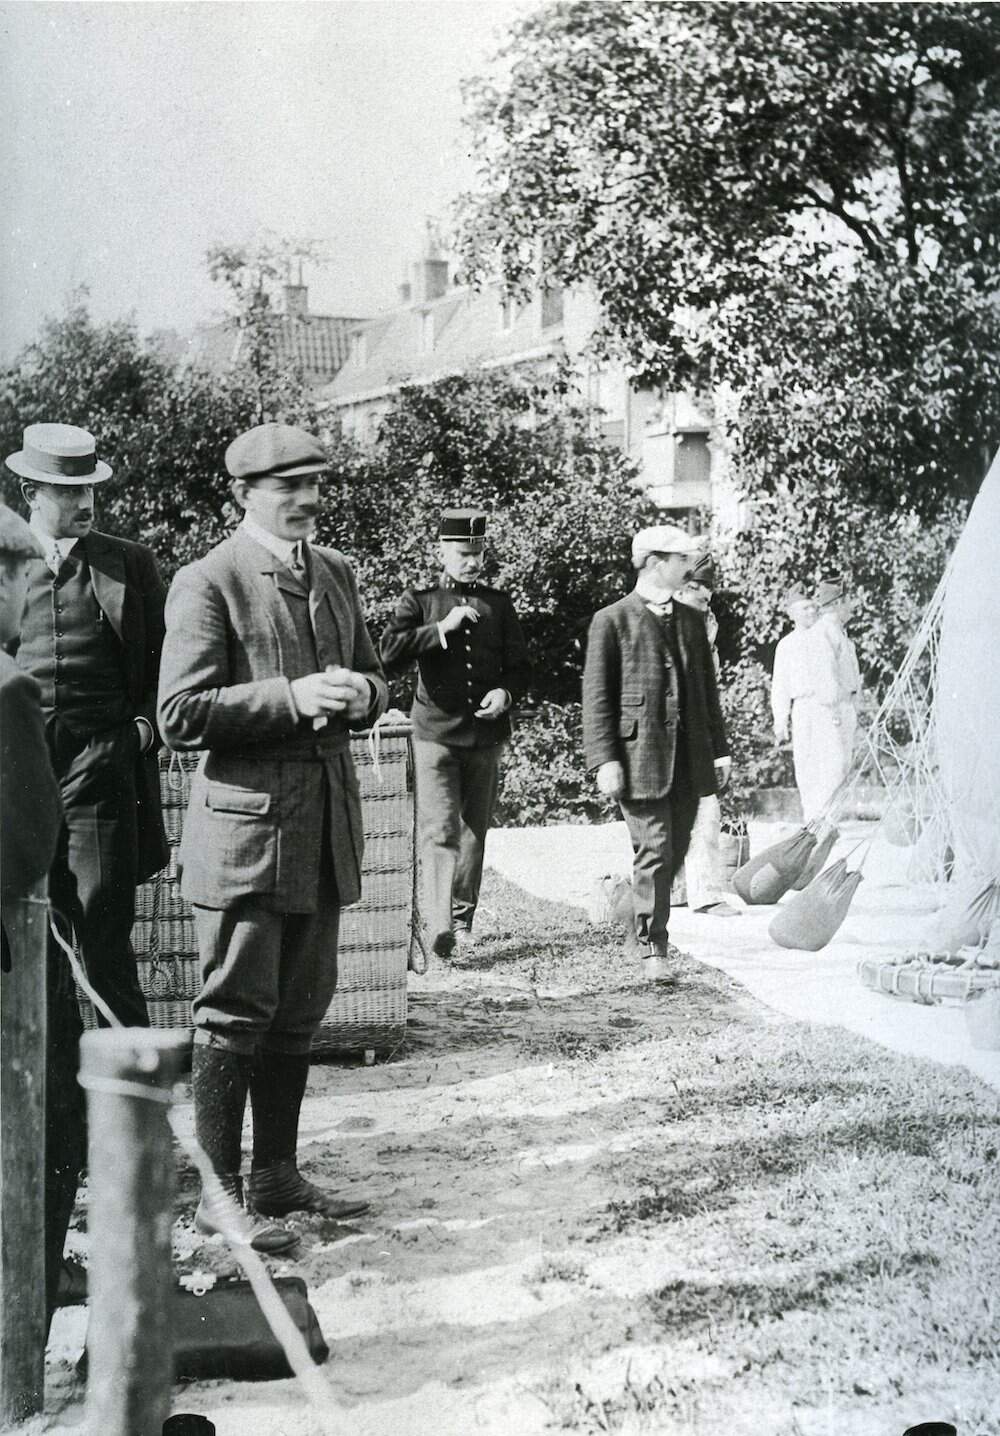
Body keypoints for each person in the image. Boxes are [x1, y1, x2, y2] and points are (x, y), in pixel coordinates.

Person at [158, 422, 387, 1254]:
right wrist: (290, 697)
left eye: (315, 486)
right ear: (243, 495)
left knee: (299, 1011)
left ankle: (278, 1176)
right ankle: (218, 1195)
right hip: (248, 835)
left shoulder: (335, 572)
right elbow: (180, 715)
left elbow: (374, 674)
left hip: (322, 827)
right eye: (287, 489)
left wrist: (363, 691)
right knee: (234, 1012)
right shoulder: (208, 580)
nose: (306, 502)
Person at [7, 422, 168, 1027]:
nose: (84, 503)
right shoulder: (5, 564)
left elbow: (166, 666)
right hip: (19, 771)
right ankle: (59, 1103)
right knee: (31, 935)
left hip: (102, 771)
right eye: (67, 491)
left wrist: (138, 735)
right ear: (32, 495)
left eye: (89, 490)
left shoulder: (129, 564)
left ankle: (131, 1095)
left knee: (102, 926)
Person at [0, 503, 85, 1334]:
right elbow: (29, 843)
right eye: (26, 583)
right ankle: (28, 1307)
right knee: (58, 1117)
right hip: (13, 957)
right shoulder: (9, 685)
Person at [380, 508, 530, 959]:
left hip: (484, 736)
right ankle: (440, 924)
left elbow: (521, 667)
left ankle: (461, 921)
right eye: (463, 554)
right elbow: (387, 653)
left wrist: (505, 692)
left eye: (477, 554)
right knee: (438, 828)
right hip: (434, 734)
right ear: (442, 551)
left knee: (473, 831)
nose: (471, 562)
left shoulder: (498, 605)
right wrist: (438, 630)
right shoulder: (419, 601)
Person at [583, 525, 731, 978]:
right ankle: (653, 949)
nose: (689, 568)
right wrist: (604, 759)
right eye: (681, 560)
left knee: (673, 852)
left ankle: (634, 914)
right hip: (636, 758)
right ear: (654, 562)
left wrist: (720, 752)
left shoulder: (690, 621)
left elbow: (707, 693)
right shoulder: (611, 620)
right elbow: (597, 697)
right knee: (656, 848)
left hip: (688, 758)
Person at [674, 555, 740, 918]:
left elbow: (708, 694)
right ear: (684, 589)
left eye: (708, 594)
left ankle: (697, 891)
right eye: (700, 592)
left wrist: (721, 750)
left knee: (704, 811)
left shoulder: (704, 626)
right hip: (670, 735)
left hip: (696, 734)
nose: (707, 600)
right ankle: (693, 892)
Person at [770, 584, 845, 821]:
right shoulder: (786, 645)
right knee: (805, 764)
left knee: (833, 762)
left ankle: (830, 819)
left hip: (826, 707)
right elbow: (780, 686)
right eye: (804, 609)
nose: (810, 612)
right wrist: (780, 720)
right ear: (790, 613)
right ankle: (811, 819)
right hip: (803, 708)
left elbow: (841, 673)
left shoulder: (826, 636)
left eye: (813, 608)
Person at [815, 575, 862, 759]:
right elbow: (827, 676)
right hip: (833, 713)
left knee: (843, 768)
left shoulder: (838, 632)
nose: (852, 606)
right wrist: (834, 714)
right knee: (833, 770)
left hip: (844, 707)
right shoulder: (824, 633)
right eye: (848, 600)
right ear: (838, 602)